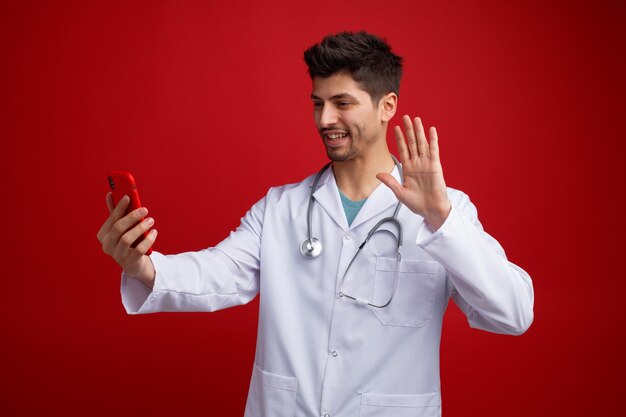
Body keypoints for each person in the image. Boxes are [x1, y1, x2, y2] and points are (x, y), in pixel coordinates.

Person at [97, 32, 534, 417]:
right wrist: (143, 268)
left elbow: (513, 313)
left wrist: (440, 219)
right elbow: (219, 273)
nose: (325, 120)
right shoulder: (281, 208)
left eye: (342, 103)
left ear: (387, 107)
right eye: (318, 103)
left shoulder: (445, 212)